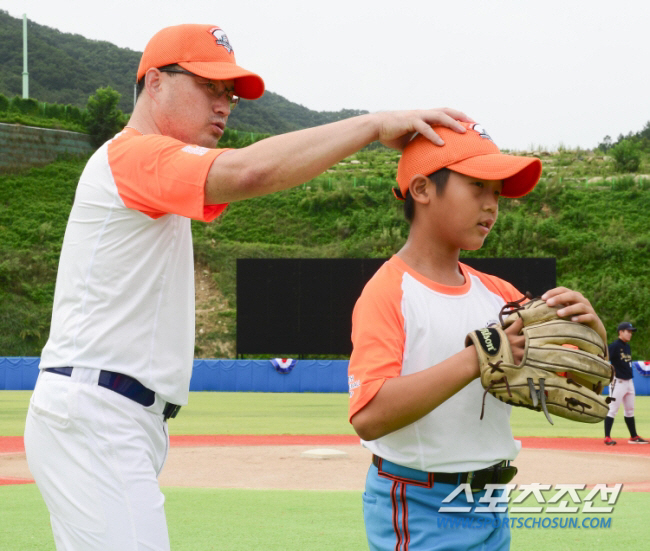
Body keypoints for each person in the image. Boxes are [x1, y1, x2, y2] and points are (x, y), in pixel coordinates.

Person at [23, 22, 477, 551]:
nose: (224, 104)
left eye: (230, 94)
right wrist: (374, 125)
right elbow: (248, 173)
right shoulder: (132, 155)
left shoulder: (149, 171)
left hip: (114, 414)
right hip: (98, 412)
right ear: (154, 82)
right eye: (209, 86)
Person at [347, 123, 608, 551]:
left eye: (498, 193)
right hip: (419, 502)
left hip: (491, 500)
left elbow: (582, 388)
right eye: (477, 187)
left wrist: (591, 336)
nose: (492, 205)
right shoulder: (388, 291)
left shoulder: (501, 295)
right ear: (422, 189)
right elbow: (369, 413)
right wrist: (477, 357)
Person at [604, 322, 648, 445]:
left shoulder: (627, 347)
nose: (630, 334)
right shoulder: (614, 346)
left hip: (629, 382)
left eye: (631, 332)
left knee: (630, 410)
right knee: (612, 409)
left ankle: (633, 436)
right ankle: (607, 437)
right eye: (628, 331)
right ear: (620, 332)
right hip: (617, 382)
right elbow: (604, 358)